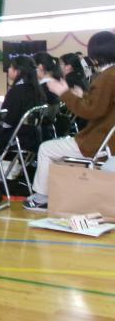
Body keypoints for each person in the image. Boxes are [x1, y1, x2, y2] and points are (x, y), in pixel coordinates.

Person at [24, 31, 115, 211]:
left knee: (46, 149)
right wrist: (81, 96)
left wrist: (63, 92)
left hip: (98, 141)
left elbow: (90, 111)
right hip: (108, 140)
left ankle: (42, 198)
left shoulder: (107, 77)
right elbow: (102, 105)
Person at [35, 52, 62, 139]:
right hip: (51, 128)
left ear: (40, 67)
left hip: (39, 131)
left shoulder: (43, 88)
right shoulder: (57, 83)